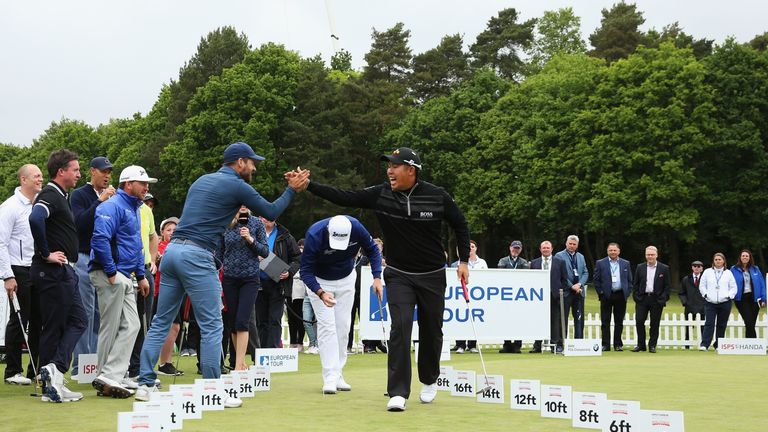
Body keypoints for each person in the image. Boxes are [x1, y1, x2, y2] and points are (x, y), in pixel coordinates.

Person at [298, 146, 470, 412]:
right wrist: (310, 185)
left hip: (432, 275)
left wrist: (463, 261)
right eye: (388, 165)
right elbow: (345, 197)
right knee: (399, 328)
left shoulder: (437, 196)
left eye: (395, 166)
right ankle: (398, 391)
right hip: (399, 274)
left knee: (432, 330)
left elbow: (460, 224)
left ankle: (429, 379)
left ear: (411, 170)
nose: (389, 170)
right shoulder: (381, 194)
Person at [136, 141, 308, 404]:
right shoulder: (238, 185)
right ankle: (214, 390)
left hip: (171, 253)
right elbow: (271, 212)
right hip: (196, 255)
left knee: (161, 321)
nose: (253, 168)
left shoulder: (201, 181)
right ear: (239, 163)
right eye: (252, 162)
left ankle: (145, 384)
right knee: (212, 324)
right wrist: (291, 190)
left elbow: (213, 218)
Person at [89, 165, 155, 398]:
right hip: (110, 273)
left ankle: (113, 374)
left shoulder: (135, 208)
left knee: (132, 325)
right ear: (128, 184)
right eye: (142, 183)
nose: (146, 187)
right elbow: (100, 239)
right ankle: (104, 376)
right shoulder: (111, 205)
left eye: (147, 184)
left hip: (126, 275)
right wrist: (110, 272)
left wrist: (140, 275)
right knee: (111, 325)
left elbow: (136, 245)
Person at [28, 149, 88, 402]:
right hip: (52, 270)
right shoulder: (50, 194)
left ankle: (55, 372)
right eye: (75, 169)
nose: (79, 174)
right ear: (61, 171)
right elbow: (35, 217)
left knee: (77, 321)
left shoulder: (61, 195)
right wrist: (45, 253)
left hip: (63, 271)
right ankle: (50, 385)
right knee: (55, 327)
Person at [301, 215, 383, 394]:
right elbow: (305, 271)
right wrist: (320, 292)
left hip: (346, 279)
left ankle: (338, 373)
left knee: (343, 327)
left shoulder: (356, 227)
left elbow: (373, 250)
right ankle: (329, 376)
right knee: (327, 327)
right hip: (319, 282)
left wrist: (377, 276)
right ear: (329, 232)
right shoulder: (315, 234)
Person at [69, 156, 115, 379]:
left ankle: (95, 366)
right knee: (85, 314)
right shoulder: (80, 195)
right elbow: (79, 223)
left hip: (104, 261)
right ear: (92, 172)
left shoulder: (111, 196)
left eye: (109, 172)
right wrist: (101, 201)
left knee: (100, 314)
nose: (107, 176)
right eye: (103, 171)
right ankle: (81, 367)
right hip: (84, 257)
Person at [1, 164, 43, 385]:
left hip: (37, 267)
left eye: (41, 176)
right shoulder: (10, 207)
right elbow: (1, 243)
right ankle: (12, 371)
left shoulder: (39, 204)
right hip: (17, 269)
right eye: (36, 176)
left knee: (38, 320)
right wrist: (7, 276)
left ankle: (34, 370)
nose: (40, 179)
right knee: (19, 319)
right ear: (23, 179)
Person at [222, 206, 268, 370]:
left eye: (246, 203)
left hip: (250, 277)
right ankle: (239, 362)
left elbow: (265, 251)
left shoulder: (256, 223)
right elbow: (220, 252)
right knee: (233, 322)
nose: (243, 206)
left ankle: (239, 364)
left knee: (243, 321)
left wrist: (250, 239)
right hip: (229, 277)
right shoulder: (226, 223)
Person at [255, 216, 301, 348]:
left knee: (275, 320)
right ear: (259, 218)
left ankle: (273, 351)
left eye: (269, 216)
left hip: (278, 284)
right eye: (263, 216)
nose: (266, 219)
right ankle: (262, 353)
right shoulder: (253, 233)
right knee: (261, 321)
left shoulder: (285, 236)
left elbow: (297, 258)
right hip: (257, 282)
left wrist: (289, 271)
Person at [127, 192, 158, 379]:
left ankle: (137, 369)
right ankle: (124, 368)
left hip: (145, 270)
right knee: (128, 323)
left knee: (144, 322)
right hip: (124, 271)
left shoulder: (146, 210)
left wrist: (152, 260)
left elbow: (153, 236)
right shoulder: (119, 207)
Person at [153, 217, 184, 375]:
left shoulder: (179, 247)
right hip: (162, 291)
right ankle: (164, 363)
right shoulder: (160, 247)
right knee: (171, 327)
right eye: (168, 230)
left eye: (175, 230)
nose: (172, 232)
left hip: (177, 292)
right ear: (162, 233)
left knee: (174, 327)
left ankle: (166, 362)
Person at [528, 240, 569, 353]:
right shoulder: (534, 263)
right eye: (543, 248)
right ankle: (537, 345)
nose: (545, 249)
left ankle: (555, 346)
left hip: (554, 296)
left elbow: (564, 280)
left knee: (555, 320)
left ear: (552, 249)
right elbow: (530, 280)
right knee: (538, 320)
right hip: (538, 296)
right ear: (540, 249)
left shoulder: (560, 262)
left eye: (547, 248)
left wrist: (560, 292)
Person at [592, 242, 633, 352]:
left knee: (619, 321)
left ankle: (618, 344)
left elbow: (629, 280)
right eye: (611, 250)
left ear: (618, 251)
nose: (613, 252)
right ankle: (605, 344)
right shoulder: (600, 263)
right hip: (606, 295)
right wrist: (601, 293)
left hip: (620, 295)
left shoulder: (625, 263)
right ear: (607, 251)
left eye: (615, 250)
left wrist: (627, 292)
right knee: (605, 321)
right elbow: (596, 280)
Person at [631, 246, 671, 353]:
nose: (650, 257)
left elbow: (667, 286)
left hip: (657, 299)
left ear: (656, 255)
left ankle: (652, 345)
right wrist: (636, 297)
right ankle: (641, 345)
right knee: (639, 321)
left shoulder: (664, 268)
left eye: (652, 254)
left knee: (654, 323)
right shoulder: (640, 267)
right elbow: (636, 284)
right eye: (648, 254)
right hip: (642, 298)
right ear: (645, 255)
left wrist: (663, 299)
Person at [450, 240, 487, 353]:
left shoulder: (482, 262)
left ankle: (472, 345)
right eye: (468, 247)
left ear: (476, 248)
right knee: (461, 317)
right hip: (460, 294)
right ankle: (460, 345)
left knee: (474, 318)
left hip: (477, 295)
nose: (470, 248)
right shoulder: (456, 264)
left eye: (472, 246)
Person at [699, 253, 737, 350]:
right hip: (710, 302)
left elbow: (733, 287)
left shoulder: (728, 273)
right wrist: (706, 295)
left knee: (721, 324)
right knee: (709, 323)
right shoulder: (707, 272)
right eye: (716, 259)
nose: (718, 261)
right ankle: (704, 345)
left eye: (720, 259)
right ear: (713, 261)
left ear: (723, 261)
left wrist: (729, 296)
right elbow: (702, 285)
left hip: (725, 302)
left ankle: (718, 345)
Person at [555, 235, 589, 340]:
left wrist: (579, 284)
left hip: (579, 291)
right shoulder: (559, 256)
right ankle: (561, 342)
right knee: (563, 318)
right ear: (566, 243)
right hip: (566, 292)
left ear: (577, 245)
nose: (572, 246)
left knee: (579, 318)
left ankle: (578, 341)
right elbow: (560, 274)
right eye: (570, 243)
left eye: (574, 244)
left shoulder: (581, 257)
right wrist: (571, 286)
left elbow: (585, 272)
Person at [730, 249, 766, 338]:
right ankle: (754, 343)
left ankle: (749, 344)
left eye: (747, 256)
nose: (745, 257)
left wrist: (764, 298)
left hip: (755, 298)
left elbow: (762, 284)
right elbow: (729, 283)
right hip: (741, 299)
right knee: (748, 320)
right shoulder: (734, 269)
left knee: (751, 322)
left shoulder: (755, 269)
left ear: (750, 258)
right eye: (743, 256)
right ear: (740, 257)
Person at [296, 239, 319, 355]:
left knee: (318, 321)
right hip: (307, 295)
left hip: (318, 294)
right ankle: (313, 343)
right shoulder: (305, 260)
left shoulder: (318, 259)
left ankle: (317, 344)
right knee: (306, 320)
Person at [679, 260, 705, 348]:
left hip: (703, 307)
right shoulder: (686, 279)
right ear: (692, 267)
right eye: (695, 266)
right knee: (688, 327)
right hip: (690, 307)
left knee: (704, 327)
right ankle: (687, 345)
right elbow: (681, 293)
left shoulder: (705, 279)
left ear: (702, 268)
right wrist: (685, 302)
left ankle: (704, 345)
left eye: (699, 266)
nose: (696, 268)